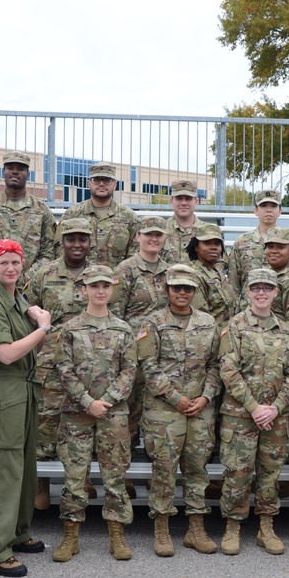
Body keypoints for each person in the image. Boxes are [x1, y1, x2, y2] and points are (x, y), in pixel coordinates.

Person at [0, 238, 52, 578]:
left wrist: (33, 312)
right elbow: (4, 354)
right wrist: (43, 328)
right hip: (4, 388)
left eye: (15, 263)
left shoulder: (15, 297)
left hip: (22, 388)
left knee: (22, 467)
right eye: (3, 262)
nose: (10, 268)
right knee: (2, 470)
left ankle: (16, 533)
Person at [52, 265, 138, 563]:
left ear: (111, 290)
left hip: (113, 414)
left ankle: (117, 535)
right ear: (84, 289)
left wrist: (108, 400)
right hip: (77, 412)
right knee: (75, 476)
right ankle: (70, 536)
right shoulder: (71, 329)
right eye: (94, 286)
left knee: (115, 475)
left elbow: (130, 370)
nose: (100, 291)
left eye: (105, 286)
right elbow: (63, 369)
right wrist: (88, 401)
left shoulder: (123, 329)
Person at [138, 264, 222, 557]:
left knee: (197, 469)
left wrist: (206, 397)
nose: (182, 292)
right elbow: (148, 367)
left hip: (200, 409)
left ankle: (195, 529)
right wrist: (175, 398)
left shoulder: (208, 323)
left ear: (195, 291)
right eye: (177, 287)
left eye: (188, 288)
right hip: (164, 410)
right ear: (167, 289)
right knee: (164, 469)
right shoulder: (152, 322)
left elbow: (215, 364)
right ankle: (161, 529)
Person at [217, 267, 289, 555]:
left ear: (276, 291)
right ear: (248, 292)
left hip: (275, 418)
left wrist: (275, 408)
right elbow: (228, 370)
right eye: (256, 288)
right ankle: (232, 526)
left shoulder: (286, 329)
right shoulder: (235, 326)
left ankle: (266, 527)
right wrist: (254, 408)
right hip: (241, 415)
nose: (261, 292)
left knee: (269, 473)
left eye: (267, 287)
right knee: (238, 473)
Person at [28, 218, 94, 510]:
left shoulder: (100, 275)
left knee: (83, 417)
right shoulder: (45, 274)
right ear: (61, 241)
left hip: (88, 359)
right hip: (50, 360)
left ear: (90, 242)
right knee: (46, 418)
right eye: (70, 239)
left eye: (82, 239)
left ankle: (84, 478)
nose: (76, 244)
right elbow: (27, 307)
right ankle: (41, 483)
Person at [110, 215, 172, 442]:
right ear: (138, 237)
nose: (154, 239)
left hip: (164, 354)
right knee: (131, 414)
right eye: (149, 234)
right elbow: (115, 315)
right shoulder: (125, 270)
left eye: (158, 235)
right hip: (134, 354)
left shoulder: (170, 272)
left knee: (161, 416)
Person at [58, 162, 140, 266]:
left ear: (115, 185)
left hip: (116, 279)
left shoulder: (129, 217)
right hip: (80, 279)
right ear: (88, 183)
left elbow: (135, 255)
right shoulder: (72, 214)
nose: (101, 184)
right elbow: (60, 249)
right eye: (96, 180)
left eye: (107, 180)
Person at [0, 150, 55, 280]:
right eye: (10, 168)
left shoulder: (41, 210)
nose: (15, 172)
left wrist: (27, 277)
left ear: (28, 174)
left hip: (29, 285)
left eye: (20, 169)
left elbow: (48, 252)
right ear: (3, 172)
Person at [187, 223, 237, 327]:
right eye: (207, 243)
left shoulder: (217, 272)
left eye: (217, 244)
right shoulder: (193, 275)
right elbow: (201, 317)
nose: (213, 247)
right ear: (196, 247)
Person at [161, 179, 208, 265]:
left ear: (196, 201)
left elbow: (218, 263)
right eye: (179, 198)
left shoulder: (207, 231)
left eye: (188, 199)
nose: (183, 203)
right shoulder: (160, 230)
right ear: (171, 201)